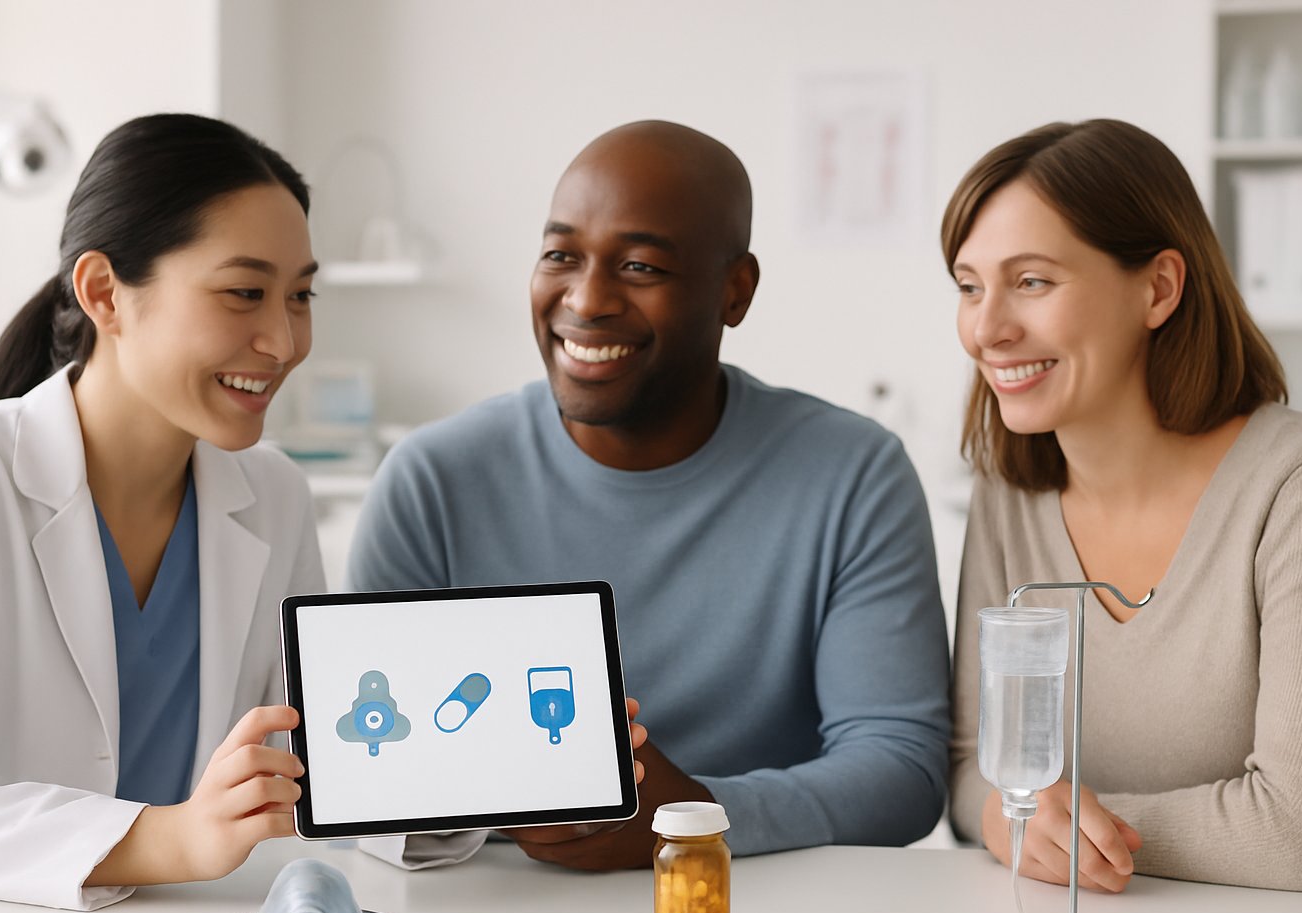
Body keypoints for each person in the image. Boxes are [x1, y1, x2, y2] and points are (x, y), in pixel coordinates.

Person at [346, 120, 952, 870]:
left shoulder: (853, 475)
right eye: (560, 255)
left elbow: (902, 772)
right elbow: (370, 774)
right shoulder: (432, 480)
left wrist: (692, 818)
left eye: (639, 267)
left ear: (736, 290)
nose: (587, 298)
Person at [0, 114, 326, 910]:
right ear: (104, 292)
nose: (282, 339)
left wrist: (521, 797)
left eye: (301, 295)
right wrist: (174, 838)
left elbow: (324, 759)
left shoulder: (273, 494)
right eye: (245, 292)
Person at [943, 119, 1302, 913]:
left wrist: (1050, 828)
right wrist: (1013, 821)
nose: (987, 328)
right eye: (970, 286)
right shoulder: (1009, 491)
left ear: (1159, 288)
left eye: (1032, 282)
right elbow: (976, 768)